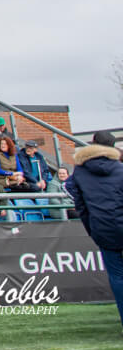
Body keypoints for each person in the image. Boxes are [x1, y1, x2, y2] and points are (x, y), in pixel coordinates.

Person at [66, 131, 123, 326]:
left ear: (92, 143)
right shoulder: (120, 168)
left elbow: (79, 205)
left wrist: (93, 229)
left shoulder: (80, 171)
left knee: (117, 276)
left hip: (103, 229)